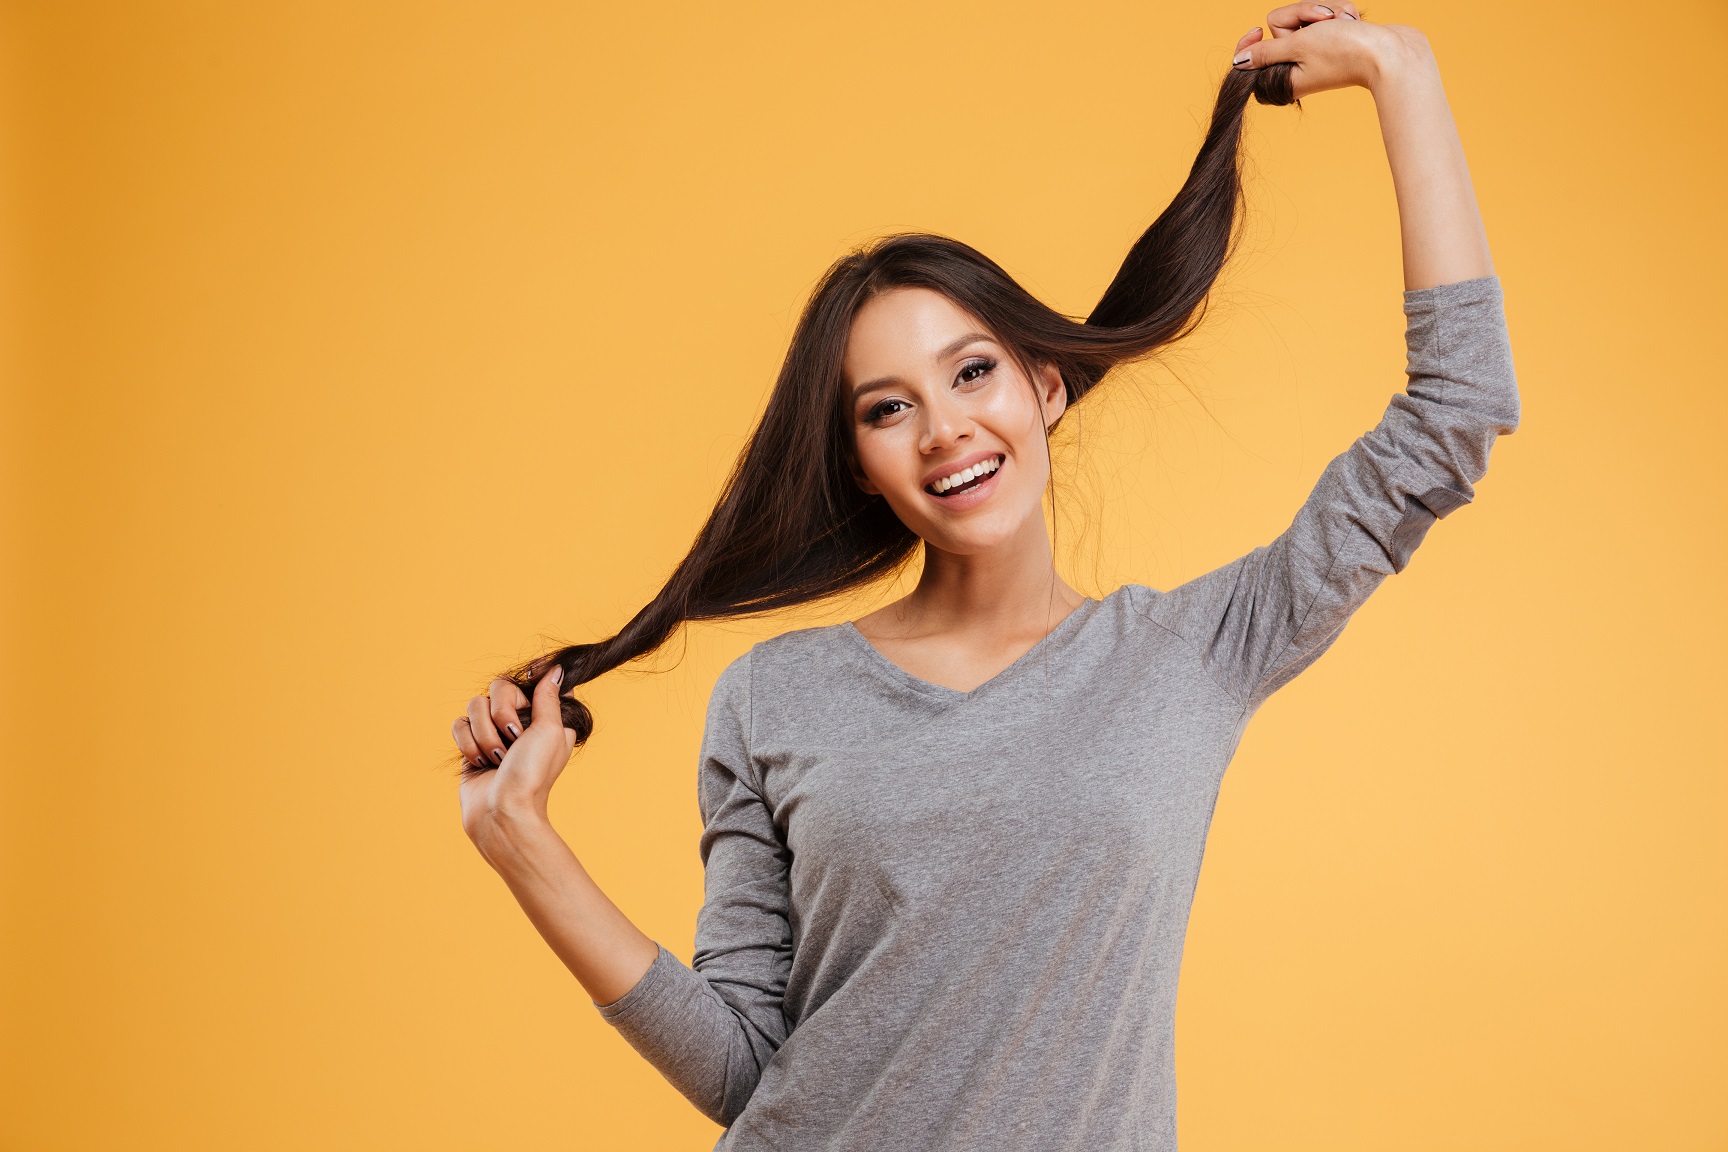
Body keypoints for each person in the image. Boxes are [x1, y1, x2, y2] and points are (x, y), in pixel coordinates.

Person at [449, 6, 1519, 1148]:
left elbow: (1452, 419)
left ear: (1047, 389)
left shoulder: (1193, 655)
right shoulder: (773, 700)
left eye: (972, 373)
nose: (945, 430)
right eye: (888, 408)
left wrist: (1404, 75)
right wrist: (523, 845)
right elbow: (744, 1068)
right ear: (861, 464)